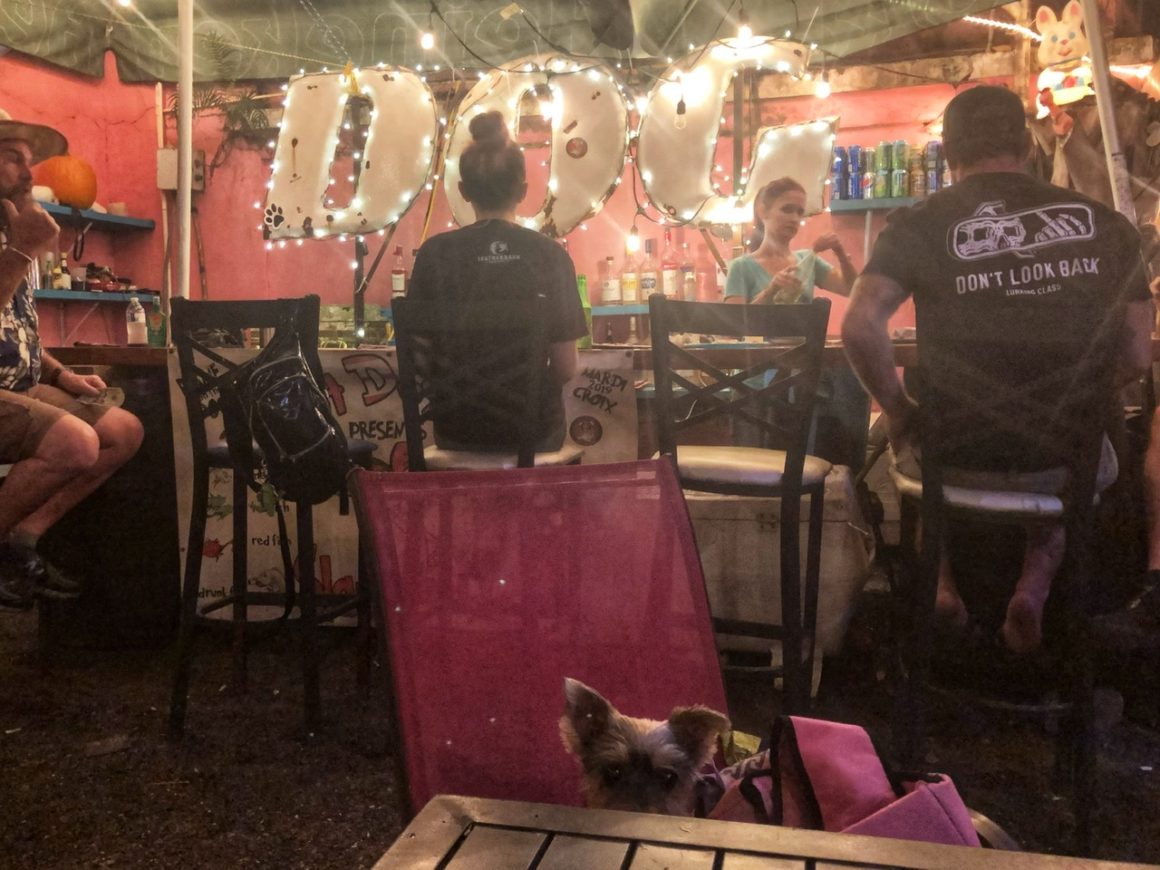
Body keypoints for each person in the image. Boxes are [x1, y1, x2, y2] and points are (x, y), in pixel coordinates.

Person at [842, 85, 1153, 654]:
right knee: (1080, 453)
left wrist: (898, 409)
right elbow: (1136, 355)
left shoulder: (918, 223)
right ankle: (1032, 589)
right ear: (1027, 146)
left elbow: (859, 326)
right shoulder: (1106, 224)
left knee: (898, 445)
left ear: (947, 152)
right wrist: (1069, 398)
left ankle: (941, 585)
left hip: (953, 461)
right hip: (1060, 466)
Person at [0, 110, 144, 608]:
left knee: (124, 431)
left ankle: (22, 537)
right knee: (76, 444)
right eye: (13, 158)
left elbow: (17, 333)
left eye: (30, 160)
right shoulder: (20, 241)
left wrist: (63, 375)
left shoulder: (13, 229)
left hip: (18, 386)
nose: (29, 173)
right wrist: (22, 252)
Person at [406, 110, 587, 451]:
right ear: (523, 191)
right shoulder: (550, 255)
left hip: (457, 432)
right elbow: (565, 368)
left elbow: (418, 361)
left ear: (463, 190)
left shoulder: (434, 255)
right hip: (536, 434)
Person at [724, 176, 867, 468]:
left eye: (799, 212)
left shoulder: (807, 260)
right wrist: (770, 290)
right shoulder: (742, 267)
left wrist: (841, 254)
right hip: (755, 380)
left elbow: (853, 289)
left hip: (800, 378)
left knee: (850, 378)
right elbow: (734, 326)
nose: (794, 218)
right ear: (763, 211)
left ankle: (841, 469)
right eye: (787, 209)